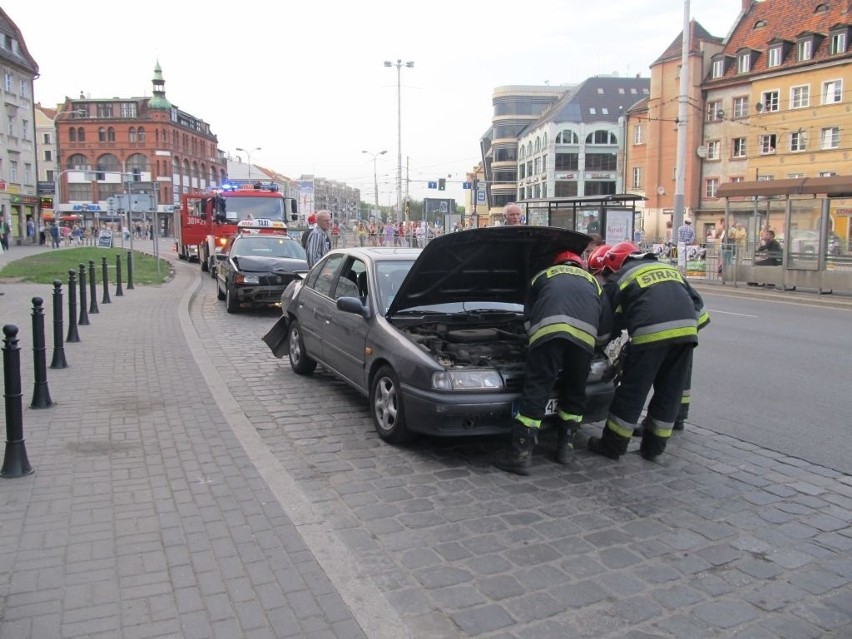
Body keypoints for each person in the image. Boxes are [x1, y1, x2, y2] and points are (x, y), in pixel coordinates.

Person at [587, 242, 710, 462]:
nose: (604, 276)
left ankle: (613, 445)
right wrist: (682, 332)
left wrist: (598, 346)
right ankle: (653, 448)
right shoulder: (670, 270)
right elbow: (699, 309)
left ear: (614, 264)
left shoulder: (619, 279)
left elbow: (608, 324)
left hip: (649, 336)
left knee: (633, 391)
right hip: (687, 335)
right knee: (669, 391)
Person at [493, 248, 605, 475]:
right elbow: (605, 323)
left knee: (537, 388)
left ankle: (521, 455)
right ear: (579, 265)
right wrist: (594, 345)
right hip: (584, 340)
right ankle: (566, 448)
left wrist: (534, 342)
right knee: (575, 390)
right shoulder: (593, 282)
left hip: (548, 335)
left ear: (556, 264)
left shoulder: (541, 277)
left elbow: (528, 317)